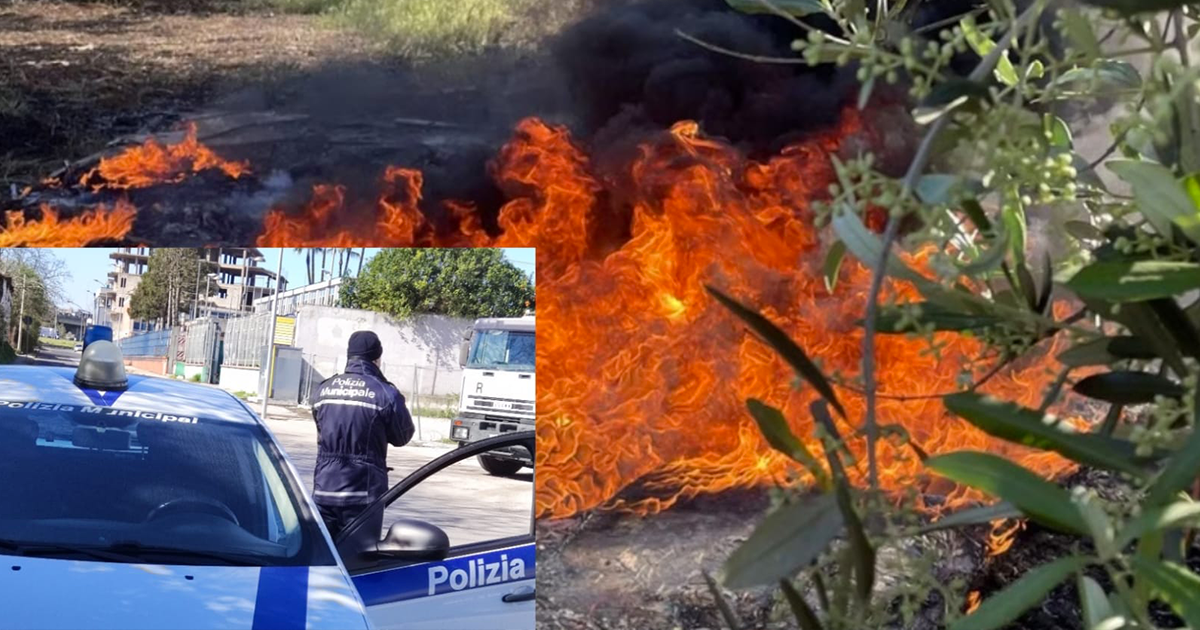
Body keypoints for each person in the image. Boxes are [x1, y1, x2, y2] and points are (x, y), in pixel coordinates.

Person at [312, 330, 414, 540]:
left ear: (349, 356)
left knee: (323, 560)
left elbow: (321, 429)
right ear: (377, 358)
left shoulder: (324, 389)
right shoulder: (385, 392)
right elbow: (403, 436)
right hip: (363, 494)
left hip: (324, 489)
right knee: (359, 562)